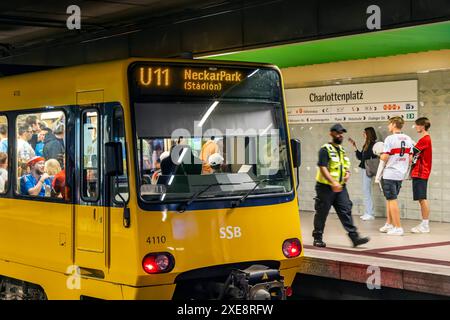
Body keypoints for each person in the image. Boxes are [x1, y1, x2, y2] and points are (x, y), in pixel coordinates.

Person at [312, 124, 370, 248]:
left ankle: (354, 238)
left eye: (342, 133)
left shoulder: (341, 150)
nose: (340, 135)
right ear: (331, 133)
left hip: (341, 187)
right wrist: (333, 182)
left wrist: (347, 173)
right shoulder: (325, 149)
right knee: (322, 212)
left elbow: (345, 166)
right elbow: (322, 167)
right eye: (338, 133)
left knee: (346, 210)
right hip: (325, 187)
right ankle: (317, 237)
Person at [376, 116, 414, 236]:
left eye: (389, 124)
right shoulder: (408, 139)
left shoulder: (389, 139)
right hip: (400, 174)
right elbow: (410, 158)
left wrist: (379, 154)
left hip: (390, 173)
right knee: (389, 199)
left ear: (393, 124)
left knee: (392, 200)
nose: (388, 126)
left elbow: (385, 157)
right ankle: (389, 224)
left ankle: (398, 227)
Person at [349, 127, 378, 221]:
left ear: (368, 134)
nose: (363, 134)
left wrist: (365, 155)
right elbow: (360, 157)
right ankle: (367, 212)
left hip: (368, 169)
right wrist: (355, 147)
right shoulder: (366, 144)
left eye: (364, 133)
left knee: (366, 191)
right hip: (363, 168)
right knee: (365, 191)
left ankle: (370, 213)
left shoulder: (374, 144)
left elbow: (370, 156)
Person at [410, 117, 432, 233]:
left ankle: (425, 225)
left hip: (421, 172)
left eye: (417, 125)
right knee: (421, 198)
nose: (416, 127)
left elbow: (413, 152)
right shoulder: (424, 139)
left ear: (422, 126)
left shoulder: (425, 139)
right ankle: (424, 224)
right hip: (420, 172)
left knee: (422, 198)